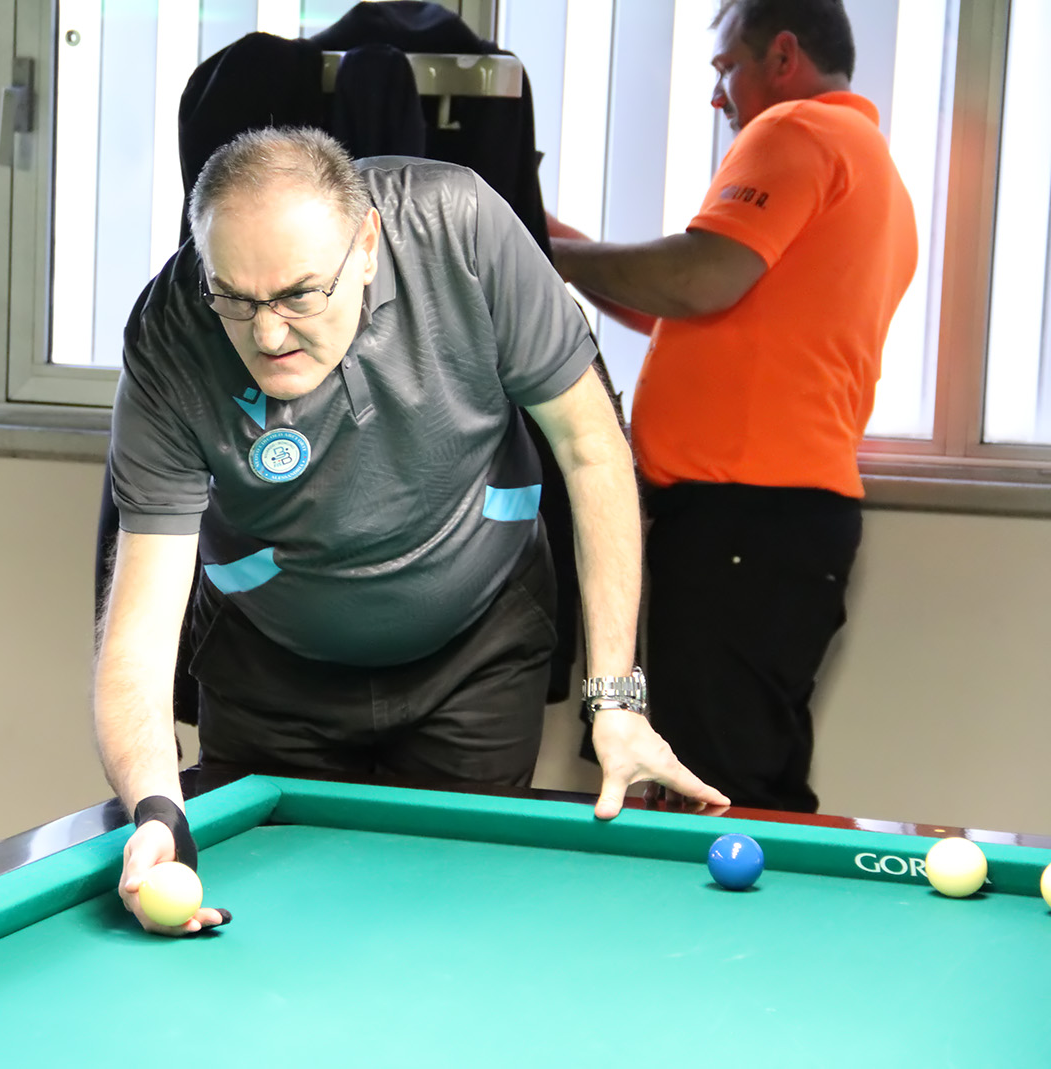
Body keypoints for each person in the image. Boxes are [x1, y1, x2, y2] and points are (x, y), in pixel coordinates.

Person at [95, 127, 726, 935]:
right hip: (269, 670)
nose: (268, 335)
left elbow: (591, 448)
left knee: (463, 920)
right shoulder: (169, 336)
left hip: (477, 648)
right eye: (236, 300)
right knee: (279, 926)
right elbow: (139, 633)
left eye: (298, 295)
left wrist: (616, 698)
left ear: (366, 245)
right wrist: (157, 812)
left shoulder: (461, 228)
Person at [547, 0, 918, 812]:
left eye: (726, 69)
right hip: (771, 525)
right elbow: (677, 302)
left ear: (782, 56)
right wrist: (544, 237)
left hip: (747, 523)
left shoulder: (799, 130)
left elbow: (696, 277)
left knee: (720, 782)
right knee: (742, 770)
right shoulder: (870, 164)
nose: (718, 96)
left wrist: (553, 253)